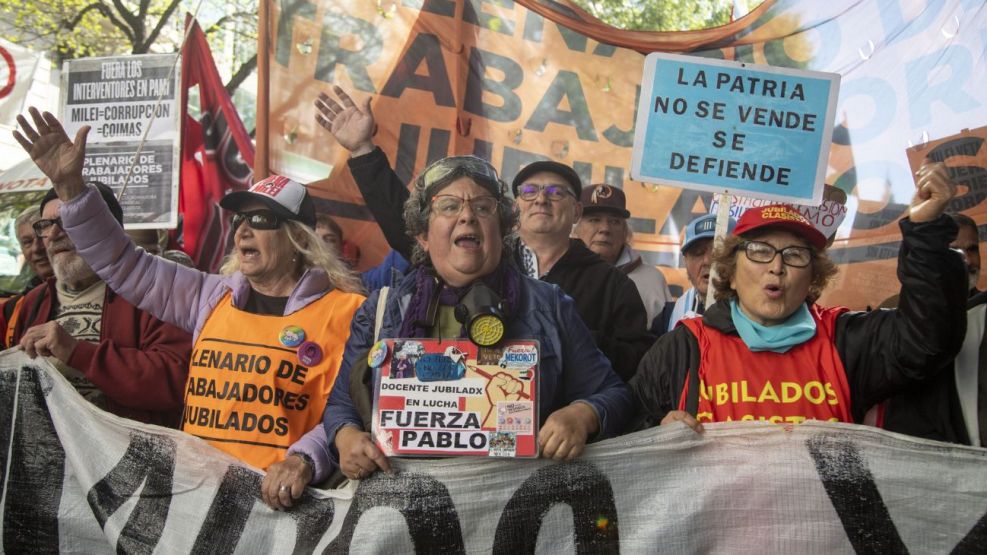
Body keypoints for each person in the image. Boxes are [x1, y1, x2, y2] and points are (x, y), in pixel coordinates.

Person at [13, 107, 367, 510]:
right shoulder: (209, 296)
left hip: (282, 507)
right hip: (195, 500)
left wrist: (304, 460)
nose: (243, 229)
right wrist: (72, 189)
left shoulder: (348, 312)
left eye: (261, 219)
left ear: (298, 239)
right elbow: (119, 261)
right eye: (239, 221)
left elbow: (347, 411)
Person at [322, 155, 632, 480]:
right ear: (423, 236)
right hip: (402, 500)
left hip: (509, 500)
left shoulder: (550, 305)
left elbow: (615, 393)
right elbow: (341, 402)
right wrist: (345, 436)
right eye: (449, 206)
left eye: (483, 207)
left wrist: (583, 414)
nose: (468, 216)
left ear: (501, 231)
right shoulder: (381, 308)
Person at [315, 86, 653, 380]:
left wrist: (560, 334)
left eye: (555, 193)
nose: (541, 200)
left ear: (576, 211)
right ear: (514, 208)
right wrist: (363, 152)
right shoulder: (481, 256)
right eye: (530, 191)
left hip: (553, 437)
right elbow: (410, 225)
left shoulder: (612, 285)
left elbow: (635, 367)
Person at [630, 162, 966, 430]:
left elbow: (927, 341)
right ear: (730, 272)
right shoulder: (681, 349)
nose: (777, 266)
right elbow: (629, 423)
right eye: (760, 251)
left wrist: (924, 231)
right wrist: (657, 432)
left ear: (813, 278)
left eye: (794, 255)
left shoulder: (846, 340)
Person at [0, 183, 192, 428]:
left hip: (127, 461)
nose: (55, 234)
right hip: (47, 462)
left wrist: (77, 352)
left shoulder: (153, 293)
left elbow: (175, 381)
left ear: (109, 228)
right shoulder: (32, 302)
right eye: (46, 225)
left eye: (68, 221)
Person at [573, 183, 671, 332]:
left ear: (625, 232)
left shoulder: (652, 279)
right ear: (576, 229)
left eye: (614, 222)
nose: (605, 229)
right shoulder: (562, 272)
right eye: (594, 220)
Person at [666, 214, 736, 332]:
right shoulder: (669, 315)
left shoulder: (756, 314)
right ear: (685, 262)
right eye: (698, 252)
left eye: (718, 250)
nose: (707, 261)